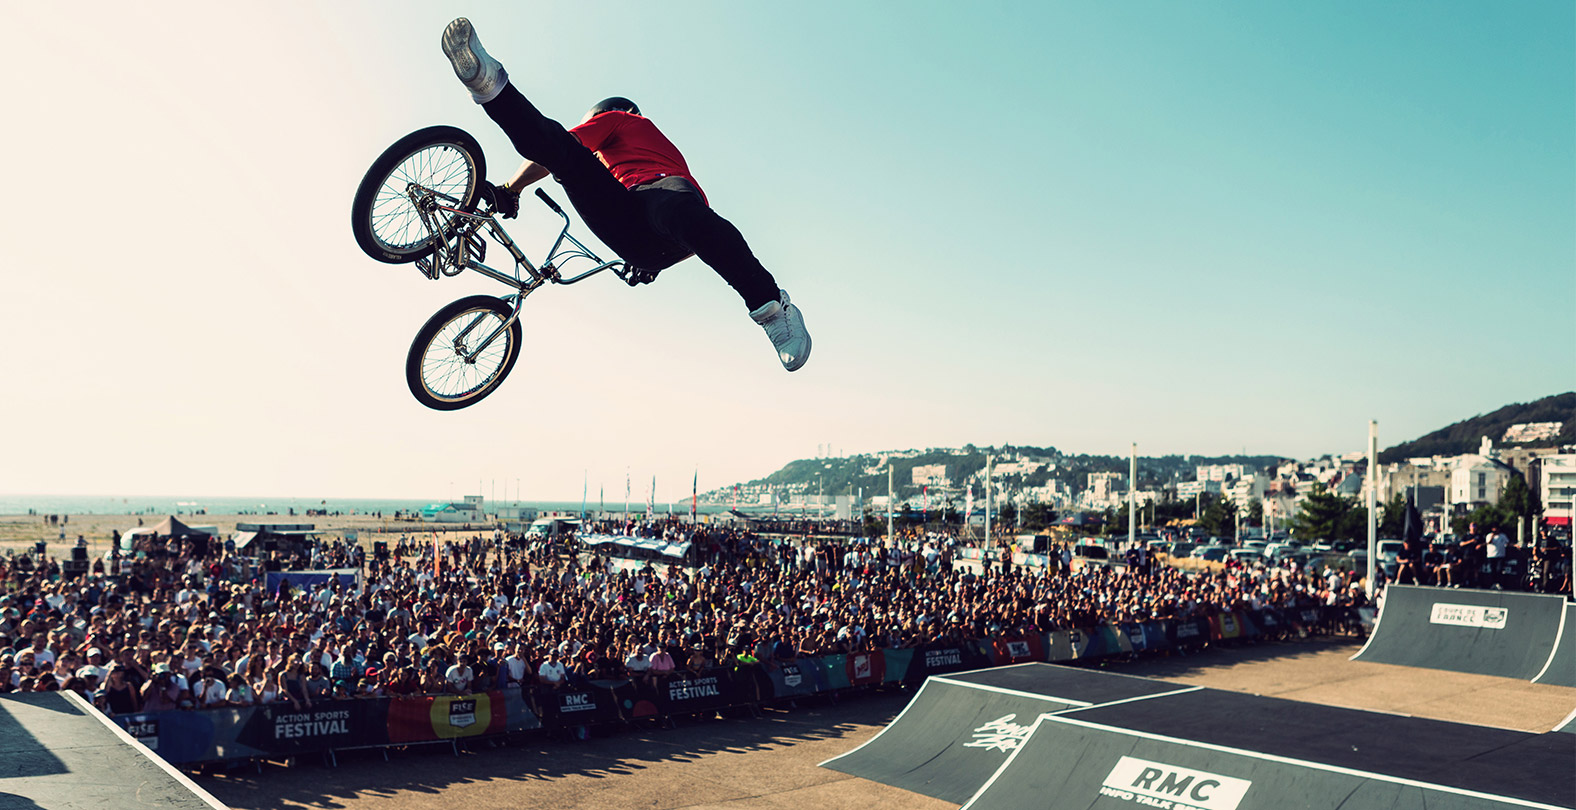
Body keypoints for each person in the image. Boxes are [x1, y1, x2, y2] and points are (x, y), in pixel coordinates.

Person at [439, 18, 811, 372]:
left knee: (573, 157)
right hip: (644, 235)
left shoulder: (624, 121)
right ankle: (487, 86)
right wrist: (648, 264)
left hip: (660, 194)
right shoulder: (619, 166)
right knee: (656, 209)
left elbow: (564, 145)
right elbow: (694, 243)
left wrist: (511, 188)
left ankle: (774, 309)